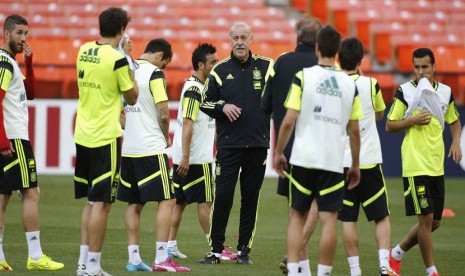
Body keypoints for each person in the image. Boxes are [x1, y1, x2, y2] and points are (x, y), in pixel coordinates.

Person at [273, 25, 362, 276]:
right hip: (333, 161)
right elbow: (354, 131)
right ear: (336, 52)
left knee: (297, 216)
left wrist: (279, 152)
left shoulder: (303, 77)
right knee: (329, 220)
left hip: (303, 158)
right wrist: (354, 165)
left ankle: (293, 270)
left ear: (317, 48)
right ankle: (323, 273)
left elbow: (288, 121)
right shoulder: (348, 84)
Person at [198, 22, 274, 265]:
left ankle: (243, 252)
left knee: (250, 198)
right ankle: (216, 250)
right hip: (229, 146)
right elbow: (204, 103)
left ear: (252, 39)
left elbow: (281, 96)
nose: (239, 42)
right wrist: (223, 106)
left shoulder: (267, 67)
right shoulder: (219, 71)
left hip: (258, 145)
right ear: (229, 41)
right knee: (223, 197)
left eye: (244, 37)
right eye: (235, 38)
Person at [74, 7, 139, 276]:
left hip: (83, 133)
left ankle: (82, 263)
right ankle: (93, 267)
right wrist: (126, 55)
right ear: (123, 29)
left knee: (91, 201)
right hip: (105, 136)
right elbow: (132, 96)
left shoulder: (83, 50)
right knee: (103, 203)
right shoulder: (118, 59)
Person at [386, 48, 462, 276]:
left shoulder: (446, 92)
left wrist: (456, 141)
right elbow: (390, 125)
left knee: (434, 223)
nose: (420, 72)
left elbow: (455, 122)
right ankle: (431, 271)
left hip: (436, 165)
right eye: (417, 67)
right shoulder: (405, 91)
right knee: (426, 220)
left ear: (433, 67)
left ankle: (396, 253)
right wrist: (412, 120)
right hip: (414, 164)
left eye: (425, 67)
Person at [117, 38, 190, 273]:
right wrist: (165, 136)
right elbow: (164, 112)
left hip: (129, 149)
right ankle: (161, 258)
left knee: (134, 203)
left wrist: (132, 130)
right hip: (151, 148)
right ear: (159, 56)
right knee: (168, 199)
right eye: (165, 63)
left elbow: (118, 113)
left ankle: (134, 259)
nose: (164, 68)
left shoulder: (126, 70)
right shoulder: (155, 74)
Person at [0, 14, 64, 272]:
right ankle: (35, 255)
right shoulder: (4, 63)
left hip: (8, 135)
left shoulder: (9, 63)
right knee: (31, 193)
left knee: (3, 196)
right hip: (12, 136)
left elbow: (32, 94)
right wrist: (3, 139)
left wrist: (29, 64)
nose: (24, 38)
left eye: (26, 33)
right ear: (6, 34)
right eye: (19, 33)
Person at [261, 15, 322, 275]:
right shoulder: (325, 66)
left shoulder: (281, 62)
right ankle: (296, 256)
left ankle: (299, 265)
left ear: (296, 36)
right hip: (321, 145)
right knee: (320, 205)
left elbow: (265, 103)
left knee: (294, 208)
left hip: (288, 147)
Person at [169, 43, 238, 261]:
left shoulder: (200, 87)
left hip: (185, 155)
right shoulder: (194, 89)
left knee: (179, 202)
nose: (216, 65)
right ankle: (216, 246)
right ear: (201, 64)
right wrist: (188, 157)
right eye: (212, 62)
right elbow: (188, 123)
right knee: (205, 202)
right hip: (196, 157)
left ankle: (169, 245)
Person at [337, 37, 396, 276]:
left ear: (339, 59)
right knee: (380, 216)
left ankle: (355, 271)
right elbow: (381, 115)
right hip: (368, 159)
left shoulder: (334, 85)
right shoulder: (371, 85)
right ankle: (384, 264)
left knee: (348, 218)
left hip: (341, 161)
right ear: (361, 59)